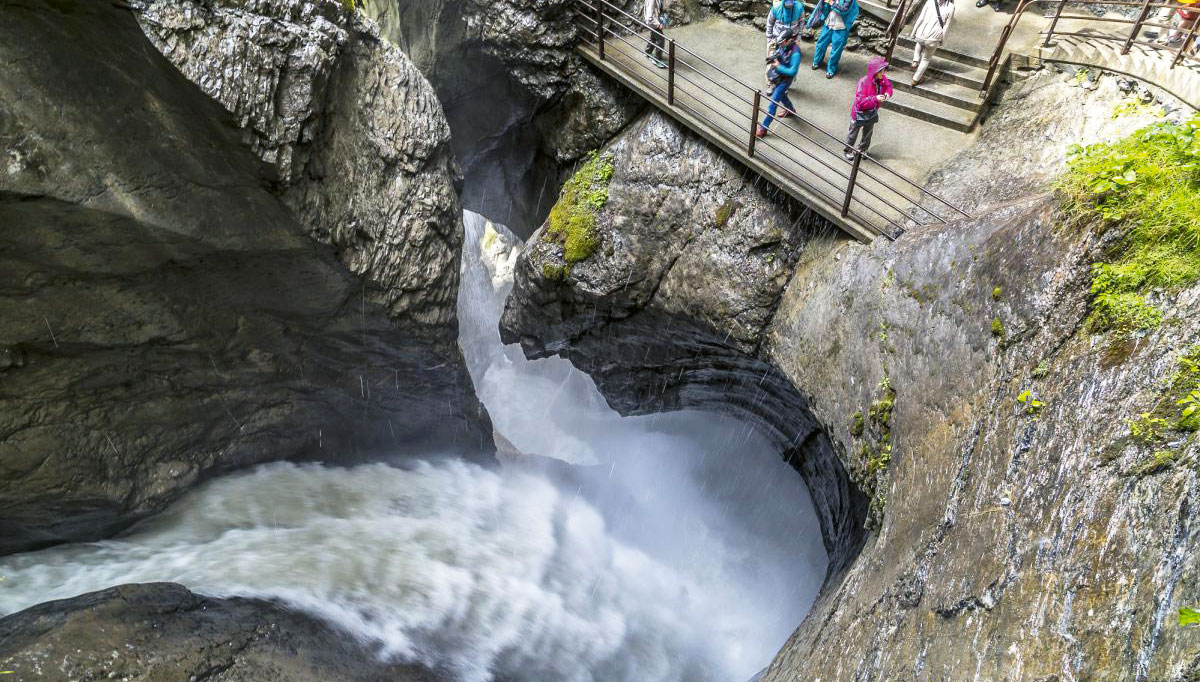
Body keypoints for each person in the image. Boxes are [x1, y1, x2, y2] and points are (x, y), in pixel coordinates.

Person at [844, 56, 893, 161]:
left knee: (868, 134)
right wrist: (875, 98)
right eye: (882, 70)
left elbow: (889, 87)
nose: (884, 72)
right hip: (858, 114)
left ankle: (862, 150)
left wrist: (887, 94)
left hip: (871, 112)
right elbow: (860, 102)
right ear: (876, 71)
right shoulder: (863, 82)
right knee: (853, 134)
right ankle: (848, 150)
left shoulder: (882, 79)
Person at [756, 30, 803, 138]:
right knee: (782, 95)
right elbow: (779, 52)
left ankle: (764, 128)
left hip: (785, 80)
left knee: (773, 104)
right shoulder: (783, 44)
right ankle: (790, 110)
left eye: (782, 43)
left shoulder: (796, 53)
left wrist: (778, 66)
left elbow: (792, 71)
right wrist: (773, 58)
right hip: (778, 77)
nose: (780, 45)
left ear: (789, 40)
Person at [808, 0, 860, 78]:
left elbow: (844, 10)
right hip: (828, 23)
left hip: (842, 26)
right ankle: (817, 62)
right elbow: (824, 6)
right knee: (821, 44)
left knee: (836, 50)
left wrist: (831, 3)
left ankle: (831, 69)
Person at [909, 0, 955, 85]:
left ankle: (915, 59)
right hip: (934, 38)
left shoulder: (929, 1)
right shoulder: (951, 7)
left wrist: (913, 31)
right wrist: (942, 40)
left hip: (921, 33)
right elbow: (946, 26)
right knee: (926, 59)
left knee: (919, 43)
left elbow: (921, 17)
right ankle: (915, 79)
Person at [644, 0, 670, 68]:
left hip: (655, 21)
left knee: (653, 38)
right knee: (661, 39)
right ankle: (656, 59)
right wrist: (658, 25)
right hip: (653, 23)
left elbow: (661, 8)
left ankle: (648, 52)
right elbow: (649, 16)